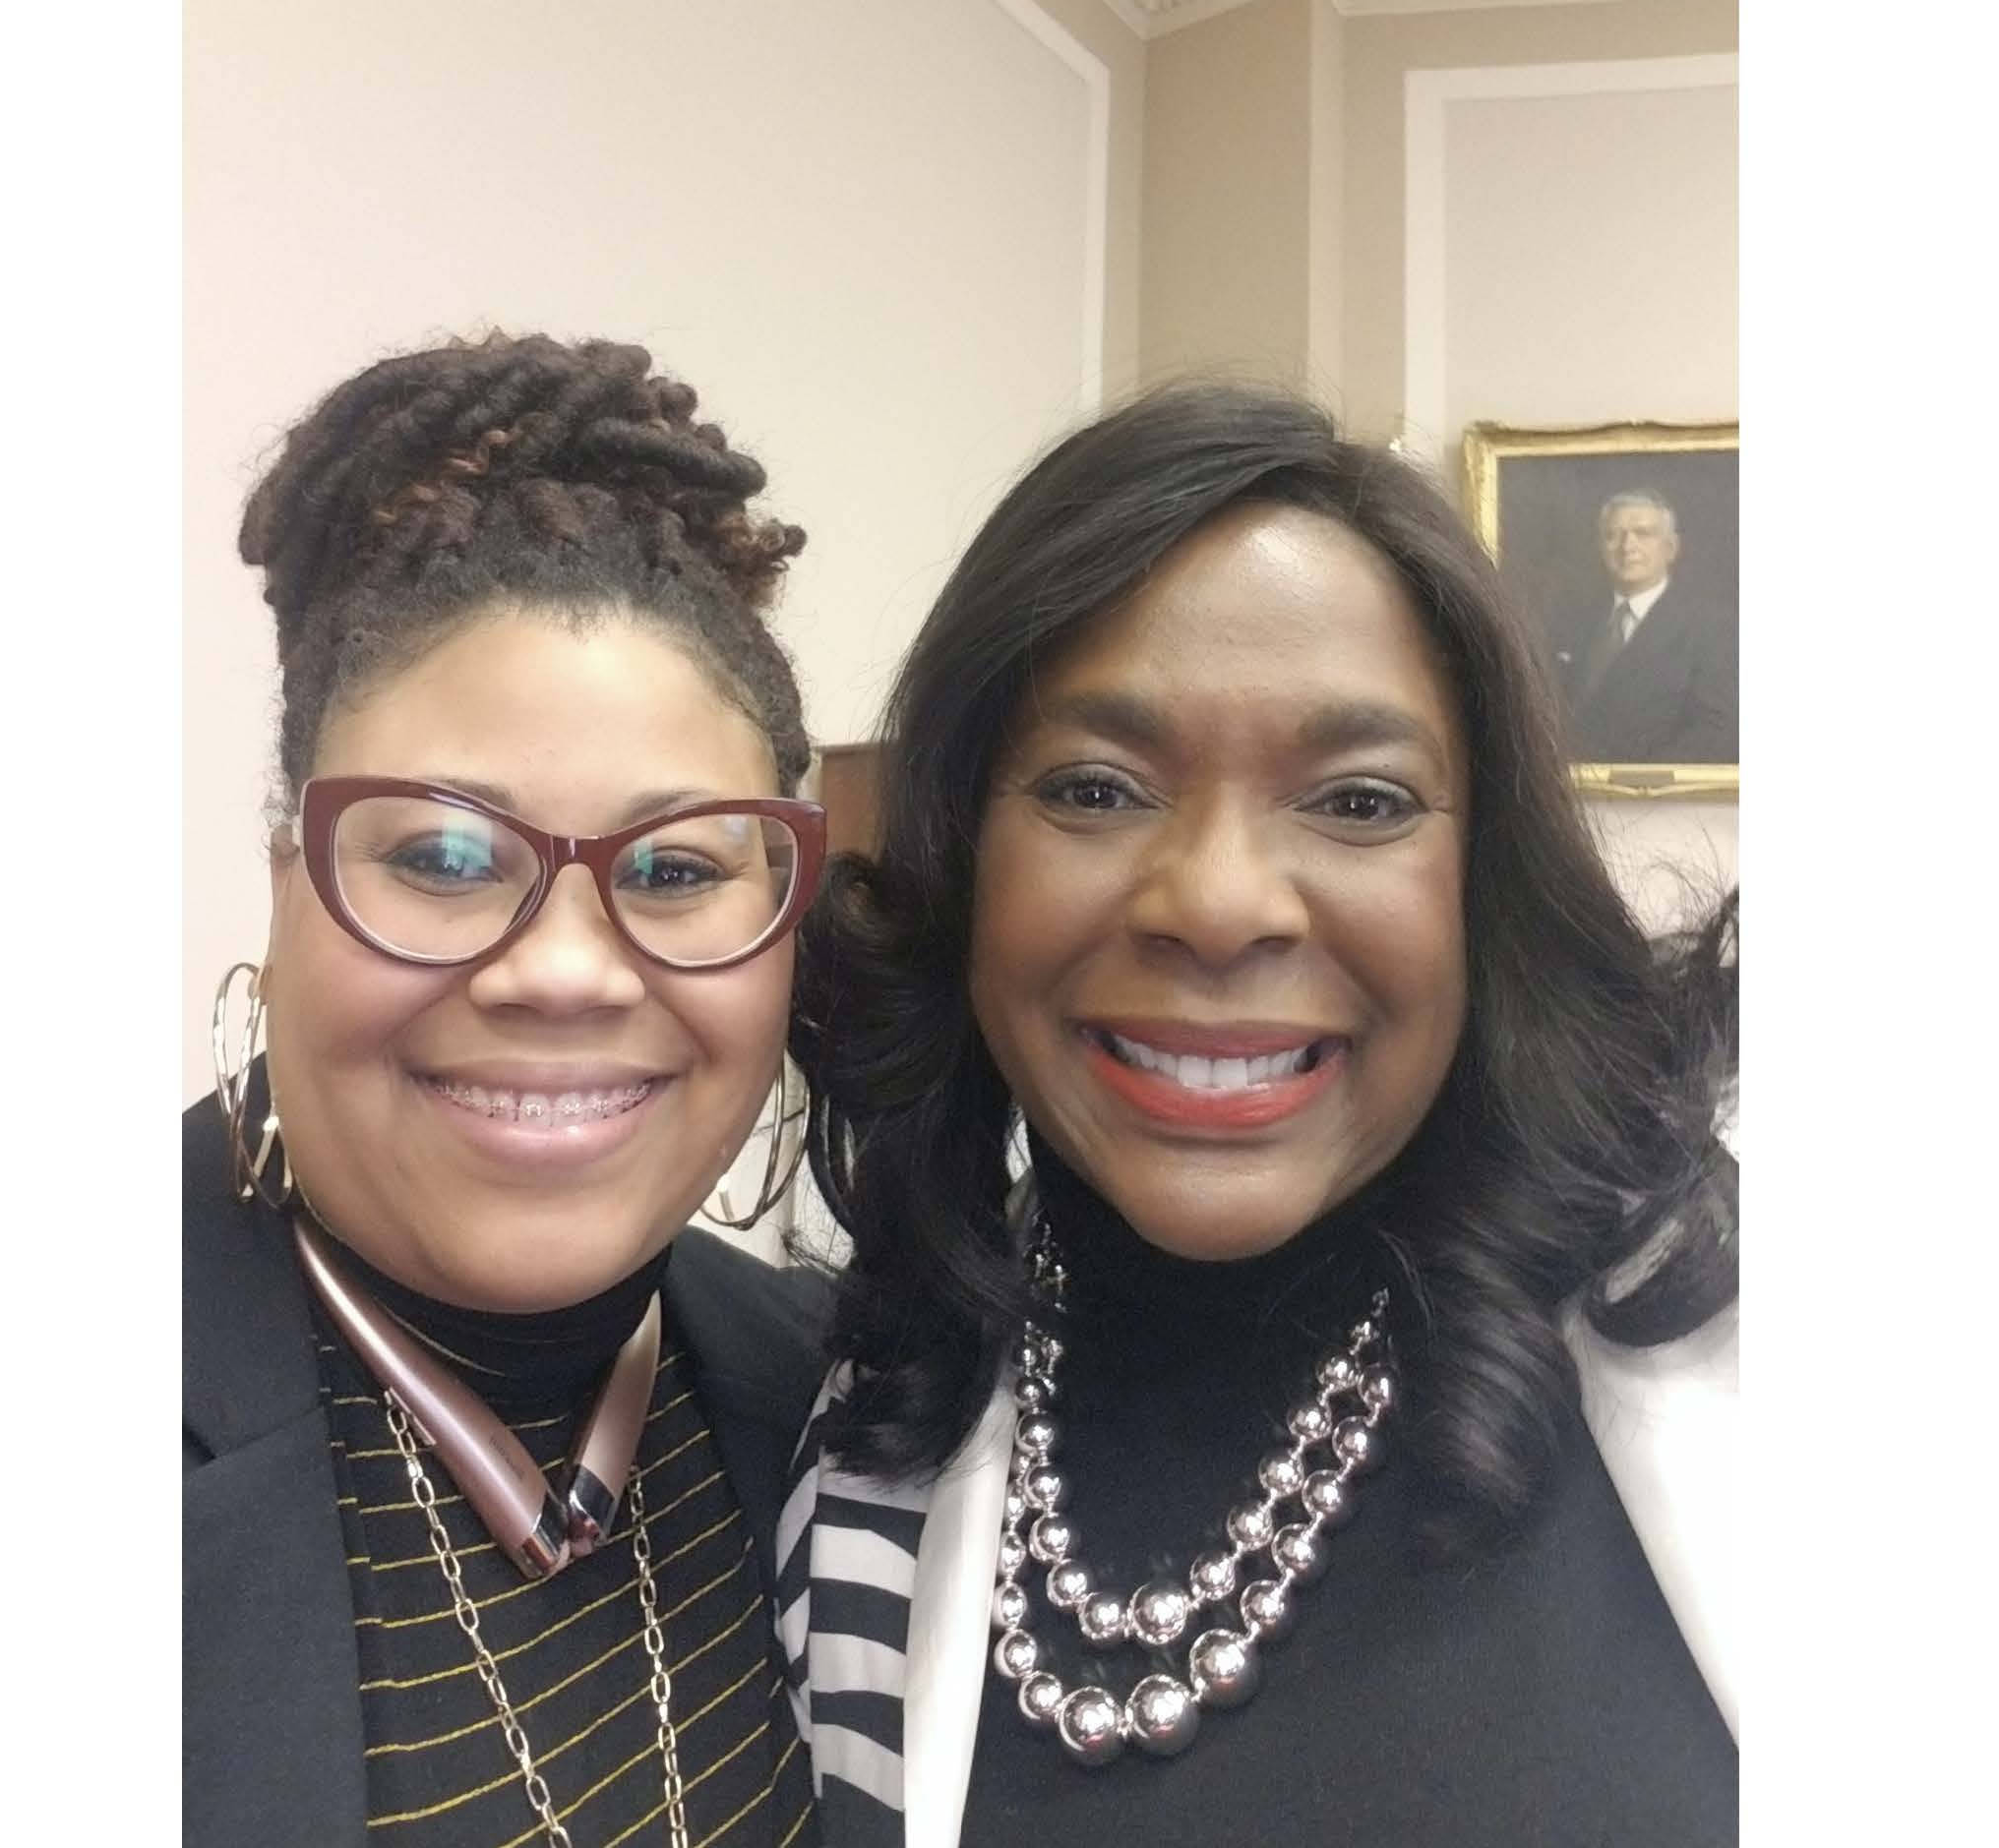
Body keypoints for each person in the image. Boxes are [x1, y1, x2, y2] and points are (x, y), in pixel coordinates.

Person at [780, 386, 1737, 1846]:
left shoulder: (1772, 1352)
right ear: (960, 857)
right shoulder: (851, 1441)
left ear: (1482, 878)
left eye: (1356, 801)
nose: (1218, 904)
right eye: (1094, 787)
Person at [184, 333, 831, 1848]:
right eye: (442, 855)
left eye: (674, 869)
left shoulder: (831, 1403)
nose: (561, 970)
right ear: (288, 884)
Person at [1558, 488, 1736, 764]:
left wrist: (1638, 781)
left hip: (1659, 799)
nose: (1627, 546)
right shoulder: (1572, 624)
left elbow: (1717, 730)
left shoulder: (1712, 629)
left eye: (1643, 534)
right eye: (1612, 535)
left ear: (1671, 548)